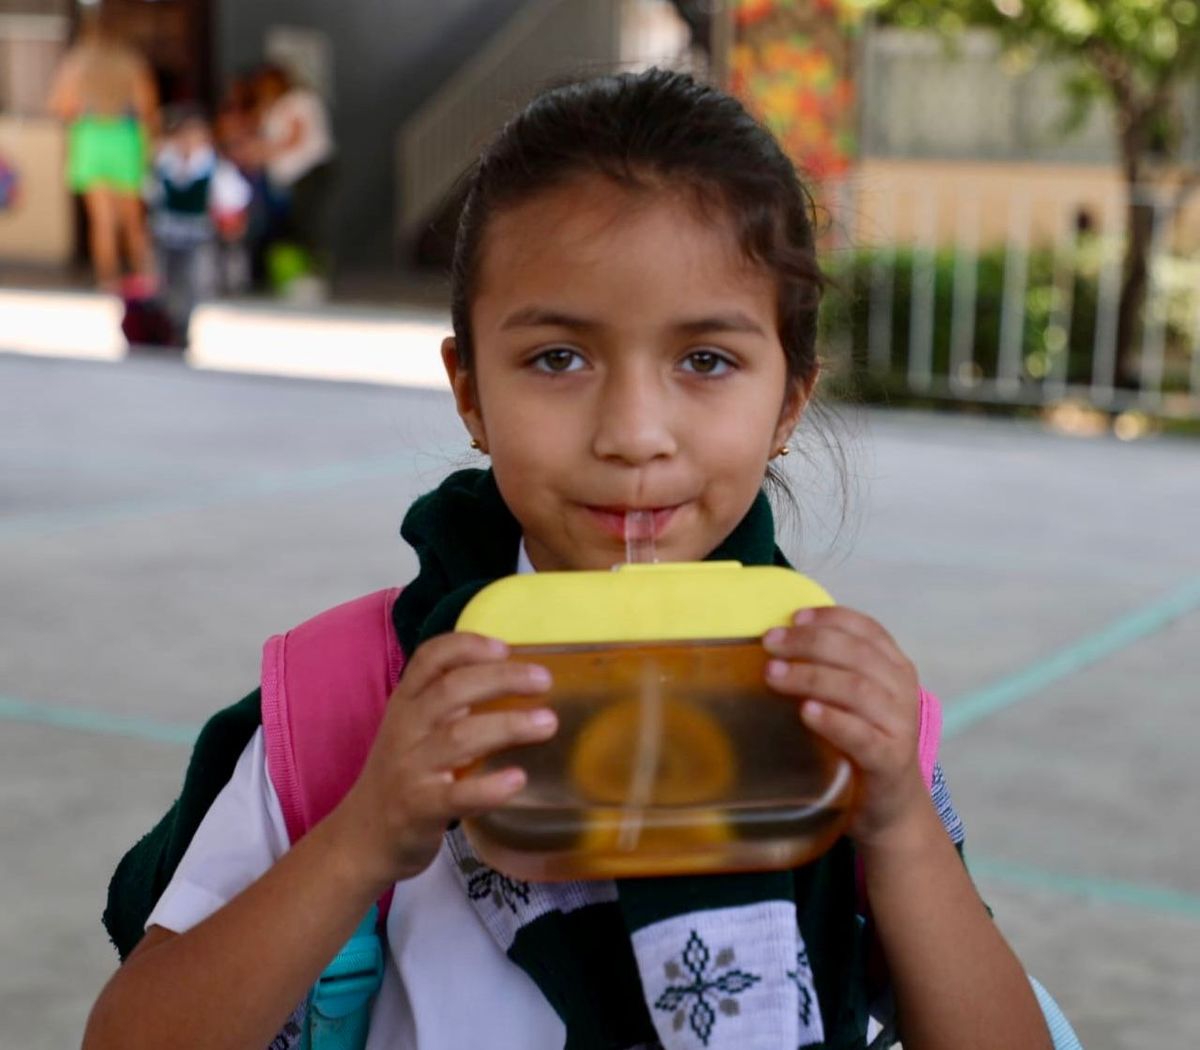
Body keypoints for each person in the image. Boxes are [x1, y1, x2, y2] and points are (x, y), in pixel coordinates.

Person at [83, 70, 1054, 1050]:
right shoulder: (357, 700)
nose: (635, 434)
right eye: (558, 359)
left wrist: (894, 825)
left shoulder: (841, 716)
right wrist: (363, 836)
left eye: (705, 361)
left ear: (789, 401)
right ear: (469, 390)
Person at [46, 9, 159, 289]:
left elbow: (59, 104)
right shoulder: (130, 61)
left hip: (91, 136)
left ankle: (108, 279)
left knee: (102, 218)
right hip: (124, 136)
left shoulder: (78, 61)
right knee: (133, 216)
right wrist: (149, 144)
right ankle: (144, 275)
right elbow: (148, 107)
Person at [146, 105, 252, 343]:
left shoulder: (213, 167)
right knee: (165, 283)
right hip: (167, 234)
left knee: (195, 283)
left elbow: (234, 198)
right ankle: (166, 326)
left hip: (198, 234)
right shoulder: (164, 164)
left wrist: (230, 222)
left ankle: (186, 326)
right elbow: (151, 194)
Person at [251, 62, 336, 294]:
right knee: (290, 225)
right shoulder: (275, 106)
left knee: (306, 222)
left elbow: (294, 135)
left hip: (307, 172)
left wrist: (264, 152)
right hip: (287, 179)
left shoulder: (298, 100)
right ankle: (296, 273)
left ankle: (313, 273)